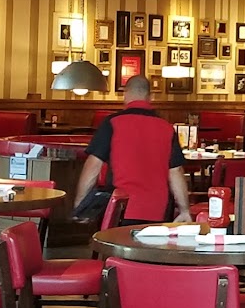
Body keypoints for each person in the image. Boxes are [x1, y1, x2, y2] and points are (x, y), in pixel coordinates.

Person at [74, 76, 192, 225]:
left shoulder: (112, 123)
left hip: (120, 208)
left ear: (125, 94)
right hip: (157, 210)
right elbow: (176, 171)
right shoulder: (166, 127)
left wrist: (80, 204)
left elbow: (93, 165)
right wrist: (184, 210)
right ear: (150, 97)